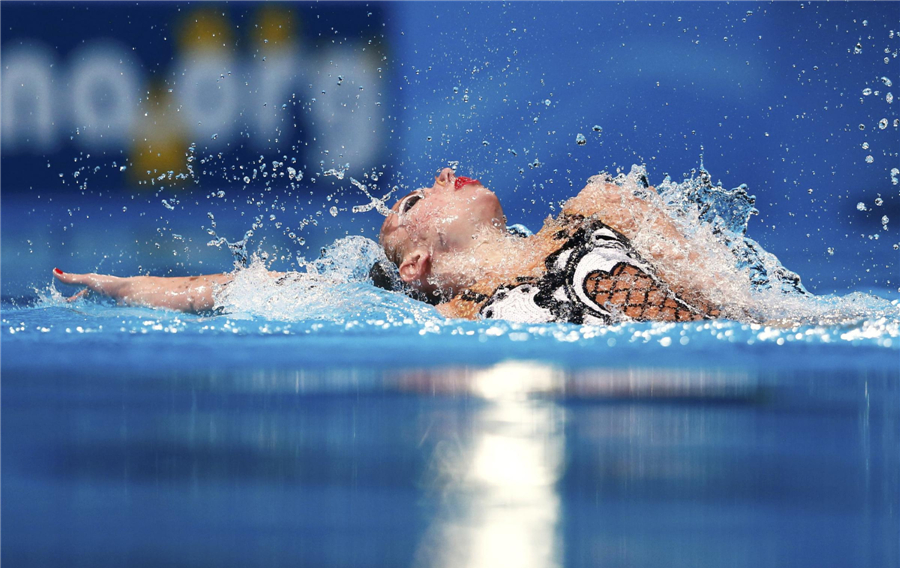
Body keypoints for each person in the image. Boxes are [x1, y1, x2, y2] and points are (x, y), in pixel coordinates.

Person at [54, 167, 743, 323]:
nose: (444, 173)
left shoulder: (601, 206)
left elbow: (744, 308)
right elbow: (258, 290)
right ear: (416, 265)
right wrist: (124, 287)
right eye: (416, 201)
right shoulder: (461, 318)